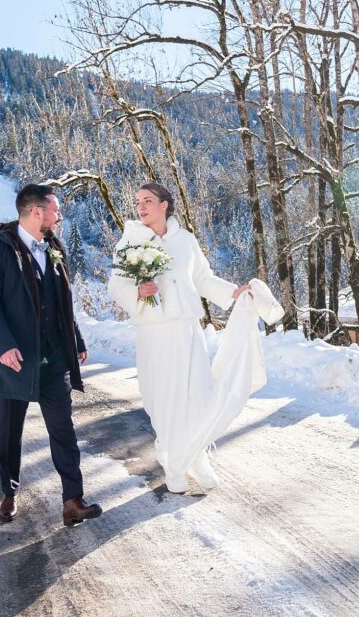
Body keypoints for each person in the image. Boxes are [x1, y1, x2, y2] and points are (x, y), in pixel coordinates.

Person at [108, 183, 253, 493]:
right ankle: (174, 463)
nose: (141, 207)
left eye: (148, 200)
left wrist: (232, 293)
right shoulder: (130, 241)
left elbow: (202, 279)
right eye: (138, 202)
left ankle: (197, 455)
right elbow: (116, 286)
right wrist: (138, 292)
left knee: (198, 394)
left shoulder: (186, 240)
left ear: (165, 205)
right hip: (155, 331)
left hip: (188, 329)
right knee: (165, 397)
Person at [0, 184, 102, 526]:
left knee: (63, 430)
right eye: (55, 211)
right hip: (13, 360)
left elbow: (64, 302)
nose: (59, 217)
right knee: (9, 432)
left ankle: (73, 500)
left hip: (53, 358)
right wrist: (3, 346)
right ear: (35, 212)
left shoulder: (54, 247)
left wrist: (75, 338)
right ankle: (9, 493)